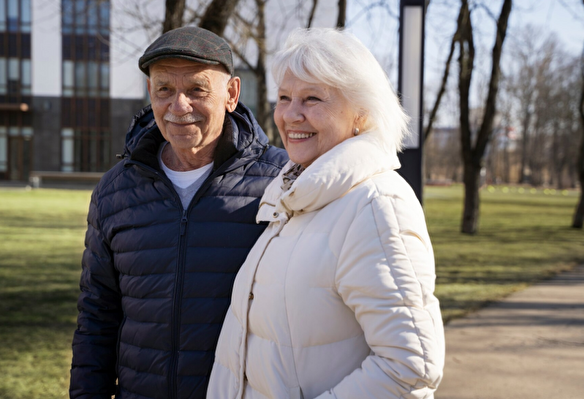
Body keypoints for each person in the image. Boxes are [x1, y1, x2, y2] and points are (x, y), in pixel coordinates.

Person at [207, 28, 445, 399]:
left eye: (312, 99)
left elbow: (410, 366)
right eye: (284, 98)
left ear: (360, 115)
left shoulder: (376, 204)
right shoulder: (296, 197)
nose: (290, 115)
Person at [69, 26, 288, 399]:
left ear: (231, 94)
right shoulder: (115, 190)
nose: (178, 106)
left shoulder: (281, 183)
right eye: (164, 89)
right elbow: (97, 317)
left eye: (197, 89)